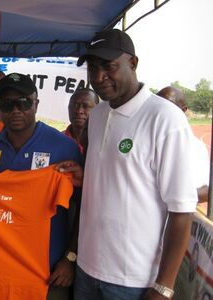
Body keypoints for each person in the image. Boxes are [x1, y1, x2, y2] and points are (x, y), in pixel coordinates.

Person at [75, 29, 197, 299]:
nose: (98, 78)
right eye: (92, 68)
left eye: (109, 66)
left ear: (133, 63)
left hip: (134, 281)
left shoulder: (165, 119)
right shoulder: (97, 116)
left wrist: (163, 286)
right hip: (87, 269)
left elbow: (182, 211)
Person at [0, 73, 83, 300]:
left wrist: (70, 258)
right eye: (8, 104)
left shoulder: (64, 147)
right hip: (0, 268)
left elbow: (84, 208)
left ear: (36, 103)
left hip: (49, 270)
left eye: (24, 102)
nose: (16, 110)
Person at [157, 86, 210, 203]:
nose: (161, 111)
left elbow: (206, 191)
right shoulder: (141, 139)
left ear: (183, 110)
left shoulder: (195, 147)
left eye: (169, 106)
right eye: (158, 105)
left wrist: (170, 198)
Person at [64, 88, 99, 155]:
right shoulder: (56, 140)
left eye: (86, 106)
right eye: (75, 105)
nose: (79, 111)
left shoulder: (104, 143)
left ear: (98, 110)